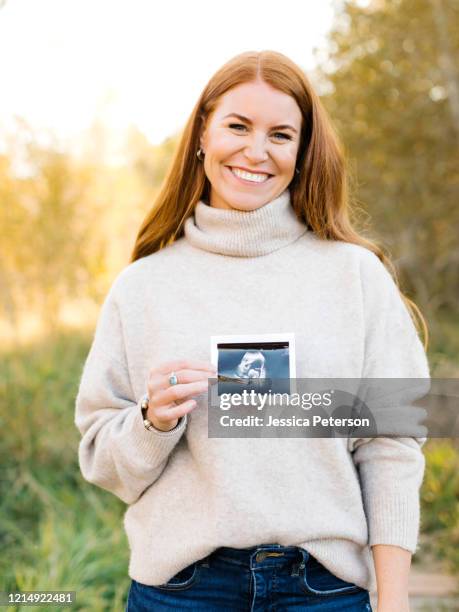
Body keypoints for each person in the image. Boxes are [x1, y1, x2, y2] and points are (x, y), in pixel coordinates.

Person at [75, 50, 430, 612]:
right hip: (182, 591)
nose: (255, 151)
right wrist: (153, 419)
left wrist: (394, 598)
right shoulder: (143, 286)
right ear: (202, 132)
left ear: (302, 150)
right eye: (237, 126)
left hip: (324, 590)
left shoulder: (355, 276)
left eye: (280, 134)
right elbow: (102, 460)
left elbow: (391, 443)